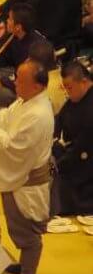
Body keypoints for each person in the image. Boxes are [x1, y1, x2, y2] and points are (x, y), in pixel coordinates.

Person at [0, 58, 54, 274]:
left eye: (21, 80)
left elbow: (14, 146)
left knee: (27, 233)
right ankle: (24, 266)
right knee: (17, 227)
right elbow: (8, 116)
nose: (15, 83)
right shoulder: (27, 101)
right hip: (19, 177)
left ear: (37, 86)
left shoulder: (38, 114)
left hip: (27, 183)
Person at [52, 59, 93, 217]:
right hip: (70, 154)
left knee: (53, 195)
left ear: (83, 82)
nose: (67, 92)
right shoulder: (76, 98)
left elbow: (80, 150)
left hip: (85, 168)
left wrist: (54, 166)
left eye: (69, 88)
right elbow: (59, 120)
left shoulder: (90, 112)